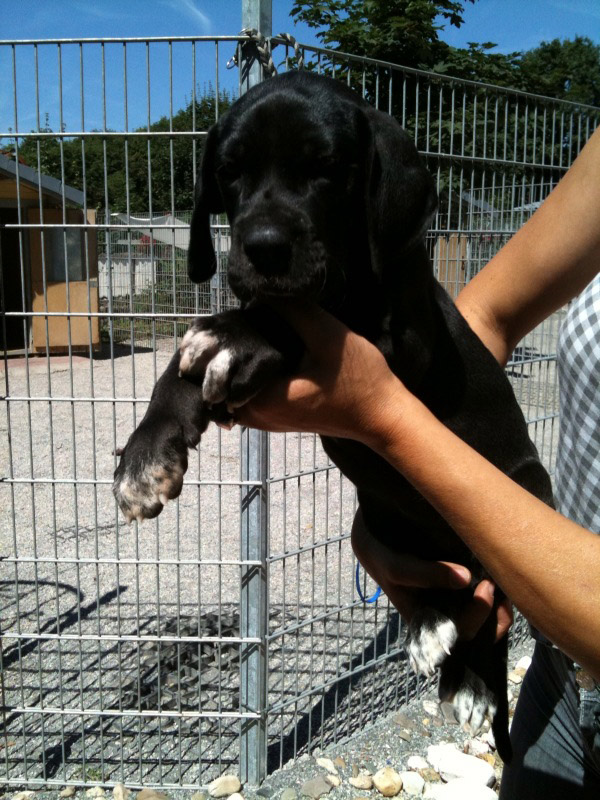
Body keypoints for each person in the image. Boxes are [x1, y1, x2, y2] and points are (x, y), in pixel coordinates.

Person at [236, 125, 600, 796]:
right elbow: (478, 323)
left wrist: (385, 420)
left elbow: (391, 408)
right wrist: (389, 512)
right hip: (562, 676)